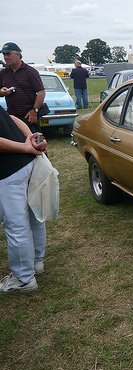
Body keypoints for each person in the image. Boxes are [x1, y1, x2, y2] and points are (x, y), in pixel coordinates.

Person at [0, 105, 48, 293]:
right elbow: (12, 117)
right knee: (33, 216)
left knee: (16, 225)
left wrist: (28, 143)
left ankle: (23, 278)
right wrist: (30, 141)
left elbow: (11, 118)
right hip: (26, 164)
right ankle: (36, 262)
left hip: (9, 171)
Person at [0, 42, 45, 134]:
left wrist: (34, 111)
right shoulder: (3, 73)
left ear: (18, 55)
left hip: (28, 116)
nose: (6, 57)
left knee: (35, 144)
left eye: (9, 54)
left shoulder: (30, 72)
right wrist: (1, 92)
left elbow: (41, 92)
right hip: (11, 117)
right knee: (15, 145)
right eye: (4, 55)